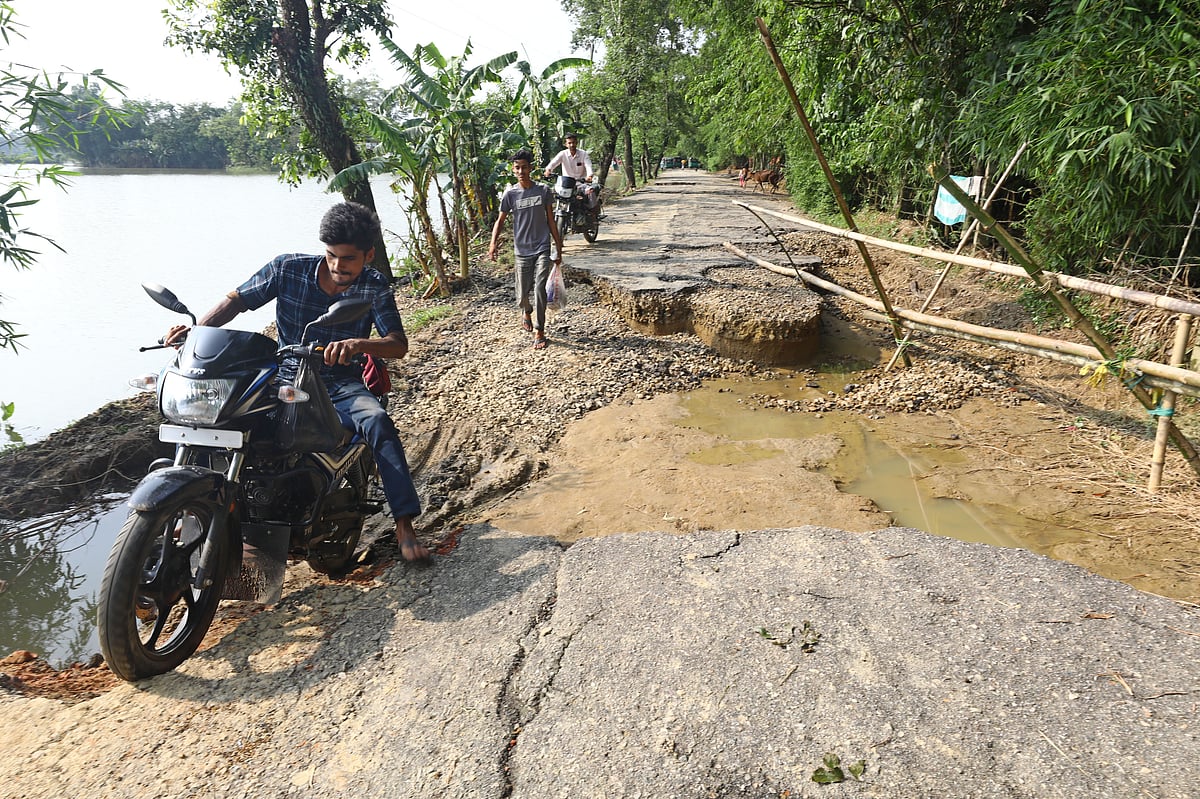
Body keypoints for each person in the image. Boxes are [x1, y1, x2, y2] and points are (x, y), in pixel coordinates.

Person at [164, 202, 429, 563]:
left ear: (368, 255)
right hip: (282, 376)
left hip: (339, 384)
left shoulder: (374, 286)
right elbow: (236, 301)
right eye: (332, 255)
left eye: (348, 259)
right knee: (221, 418)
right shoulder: (288, 268)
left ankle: (404, 524)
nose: (338, 266)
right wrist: (196, 333)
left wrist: (358, 344)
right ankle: (201, 508)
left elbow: (398, 344)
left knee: (377, 422)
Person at [488, 149, 564, 351]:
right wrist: (493, 244)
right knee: (522, 293)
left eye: (524, 167)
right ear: (513, 170)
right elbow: (500, 220)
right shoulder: (510, 194)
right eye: (517, 168)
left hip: (541, 247)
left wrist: (558, 245)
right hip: (521, 250)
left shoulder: (543, 191)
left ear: (531, 169)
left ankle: (540, 330)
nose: (521, 171)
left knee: (539, 288)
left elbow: (550, 219)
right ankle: (526, 311)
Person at [543, 132, 597, 209]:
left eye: (574, 142)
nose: (572, 145)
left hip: (580, 183)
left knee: (590, 191)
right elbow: (553, 163)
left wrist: (589, 176)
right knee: (552, 193)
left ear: (577, 143)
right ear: (566, 144)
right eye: (569, 143)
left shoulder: (583, 154)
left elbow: (588, 166)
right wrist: (548, 170)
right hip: (566, 185)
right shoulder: (562, 154)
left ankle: (593, 212)